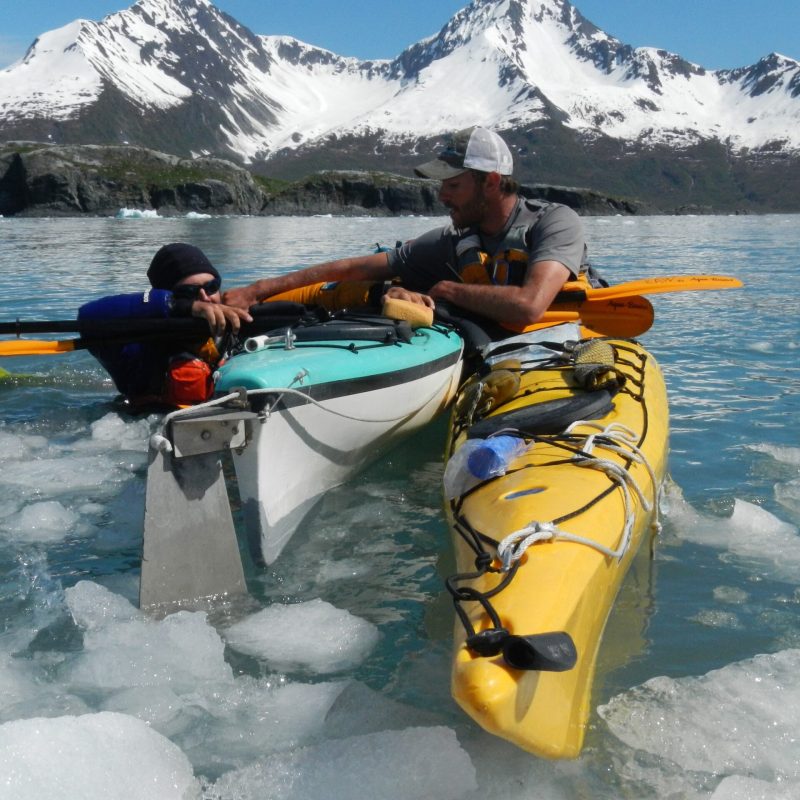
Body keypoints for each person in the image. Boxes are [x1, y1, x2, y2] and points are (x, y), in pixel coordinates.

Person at [222, 126, 593, 334]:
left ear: (492, 182)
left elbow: (529, 307)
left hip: (560, 344)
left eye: (453, 185)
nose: (442, 195)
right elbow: (353, 269)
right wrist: (255, 291)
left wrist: (447, 290)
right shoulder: (452, 240)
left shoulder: (554, 223)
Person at [78, 242, 251, 409]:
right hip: (147, 427)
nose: (206, 298)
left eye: (212, 287)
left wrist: (258, 289)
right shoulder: (135, 346)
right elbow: (86, 316)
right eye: (187, 293)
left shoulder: (234, 327)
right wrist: (176, 306)